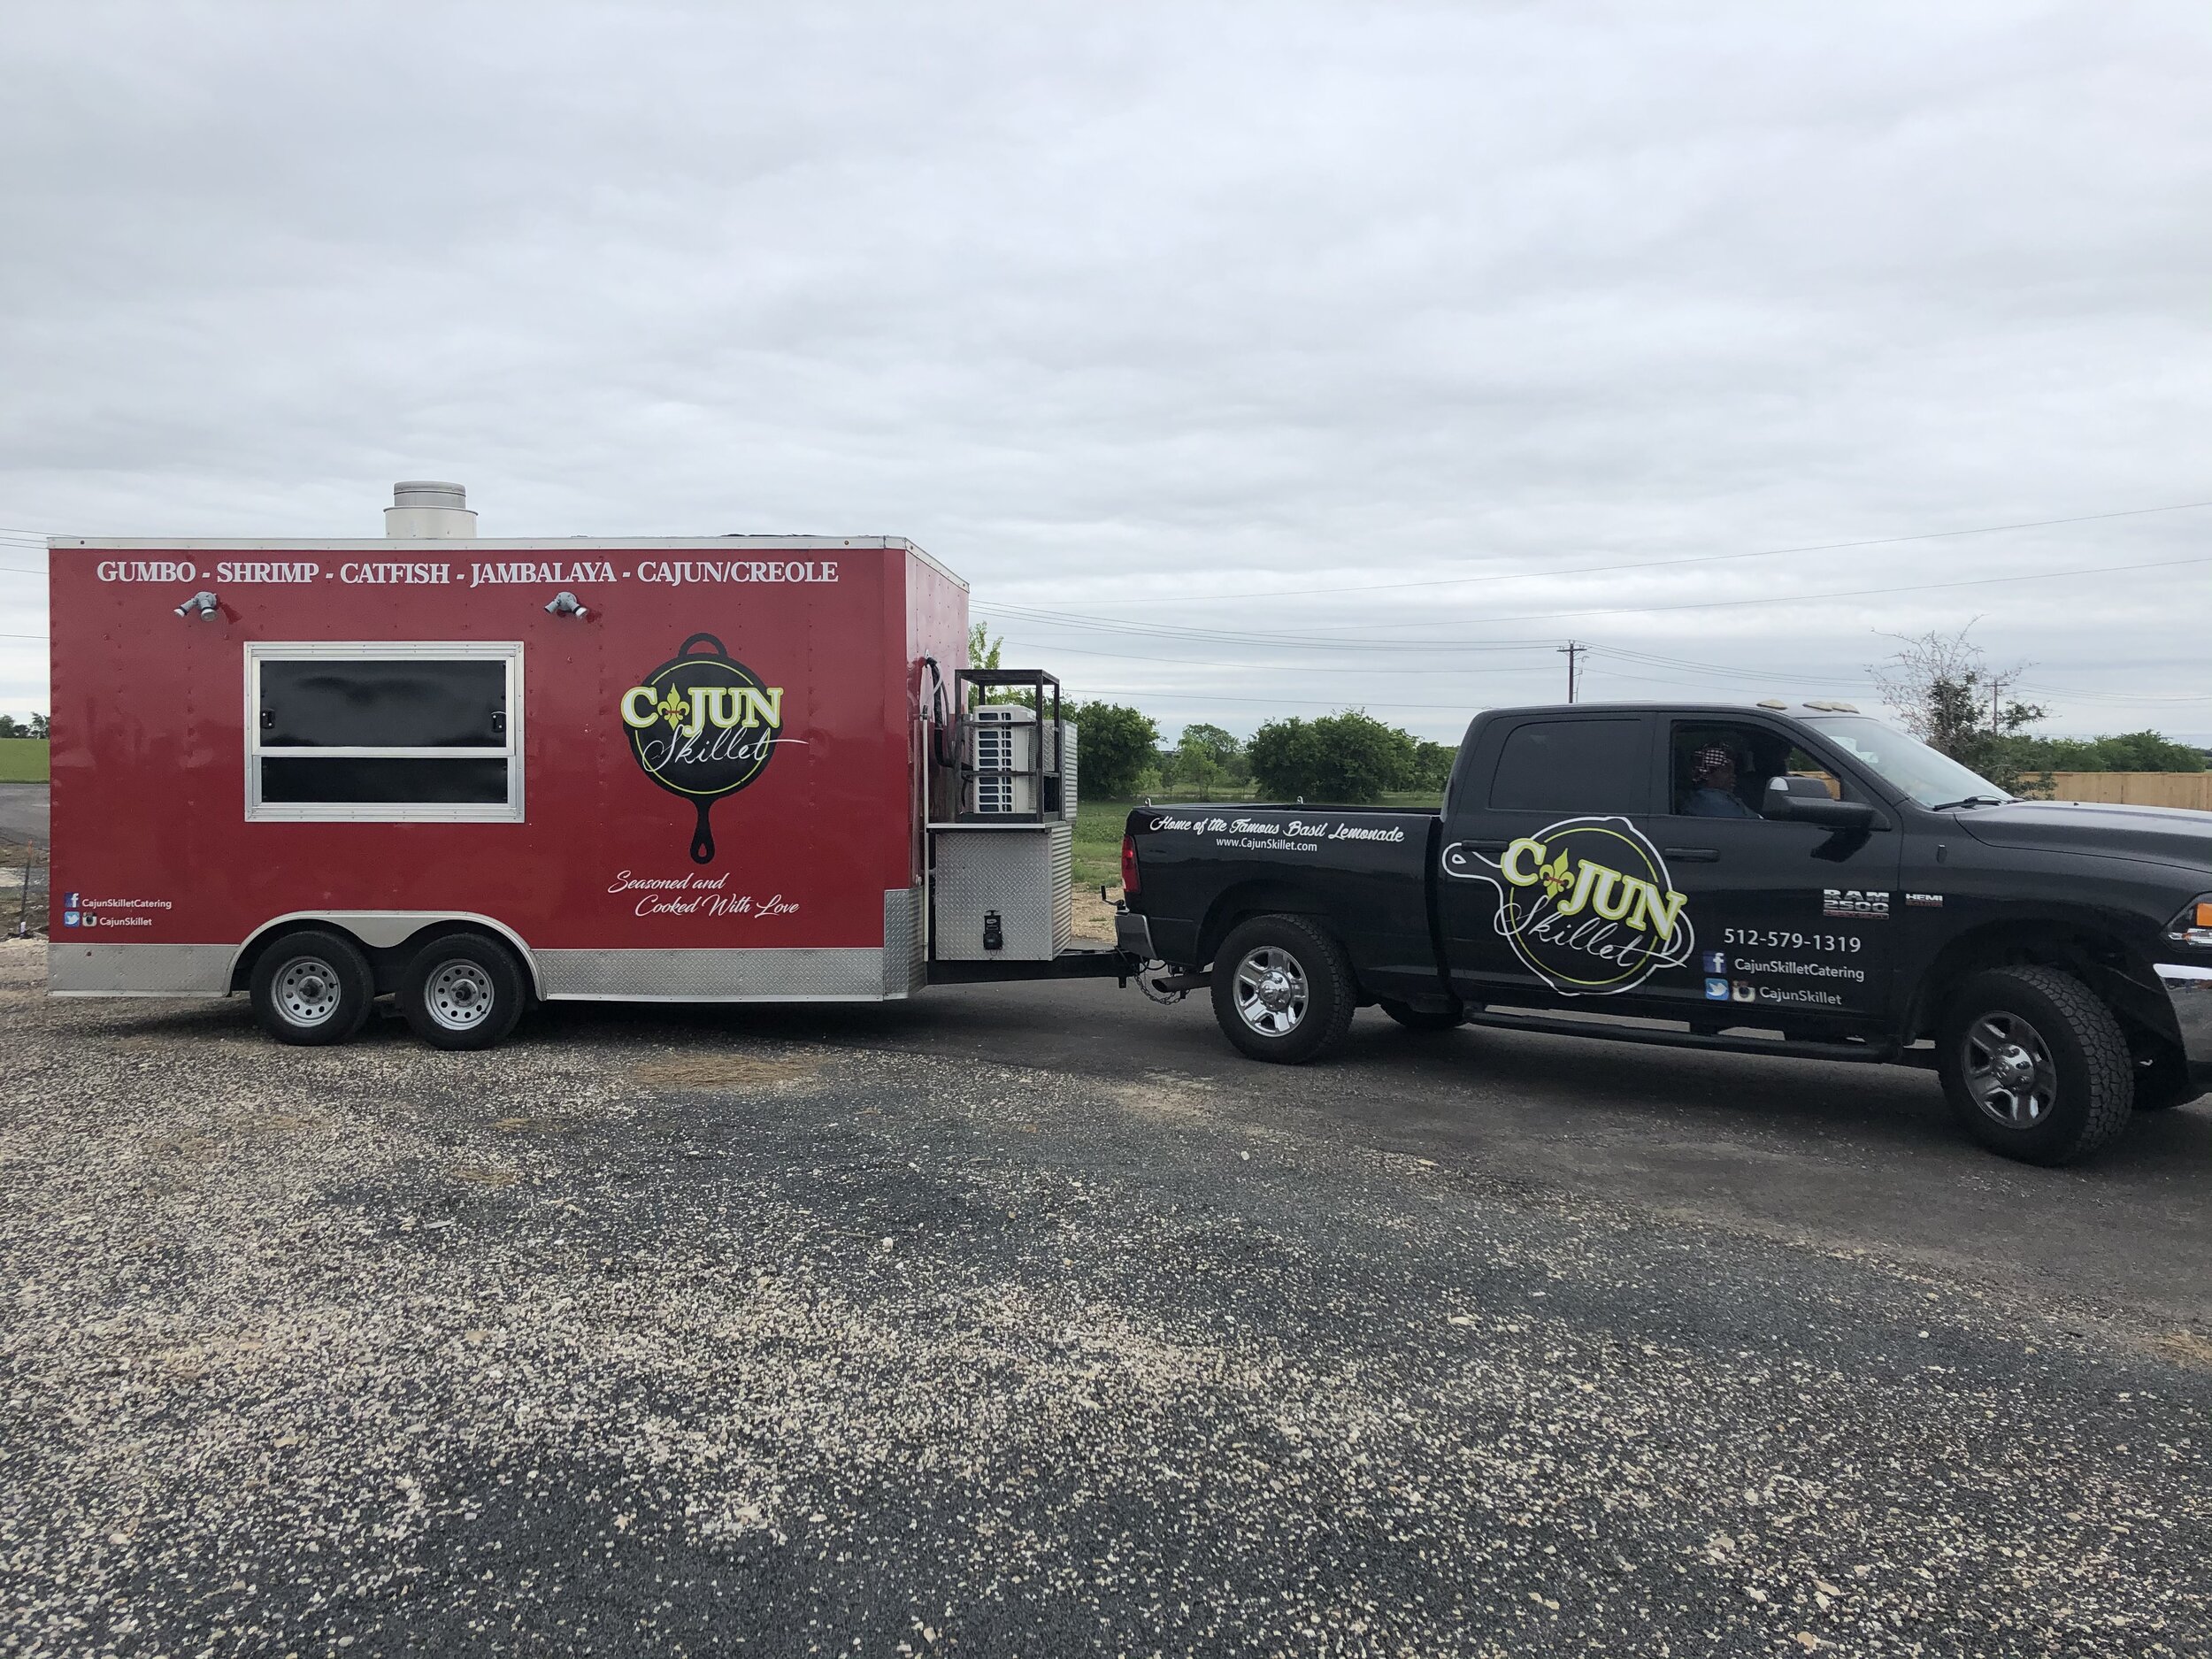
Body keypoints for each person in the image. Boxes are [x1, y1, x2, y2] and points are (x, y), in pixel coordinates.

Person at [1683, 745, 1758, 818]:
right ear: (1706, 774)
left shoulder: (1716, 797)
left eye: (1733, 771)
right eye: (1725, 770)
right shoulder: (1711, 802)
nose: (1732, 775)